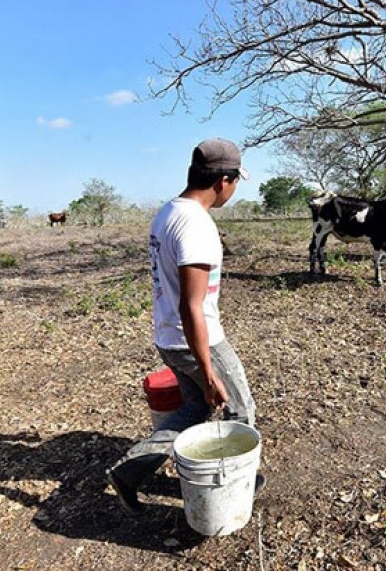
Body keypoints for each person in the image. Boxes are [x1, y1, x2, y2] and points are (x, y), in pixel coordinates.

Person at [106, 138, 259, 514]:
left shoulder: (169, 212)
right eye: (236, 181)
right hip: (197, 340)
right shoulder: (196, 225)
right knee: (240, 409)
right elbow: (192, 306)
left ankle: (130, 471)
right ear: (222, 180)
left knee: (193, 410)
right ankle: (236, 481)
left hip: (169, 338)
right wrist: (208, 371)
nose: (235, 189)